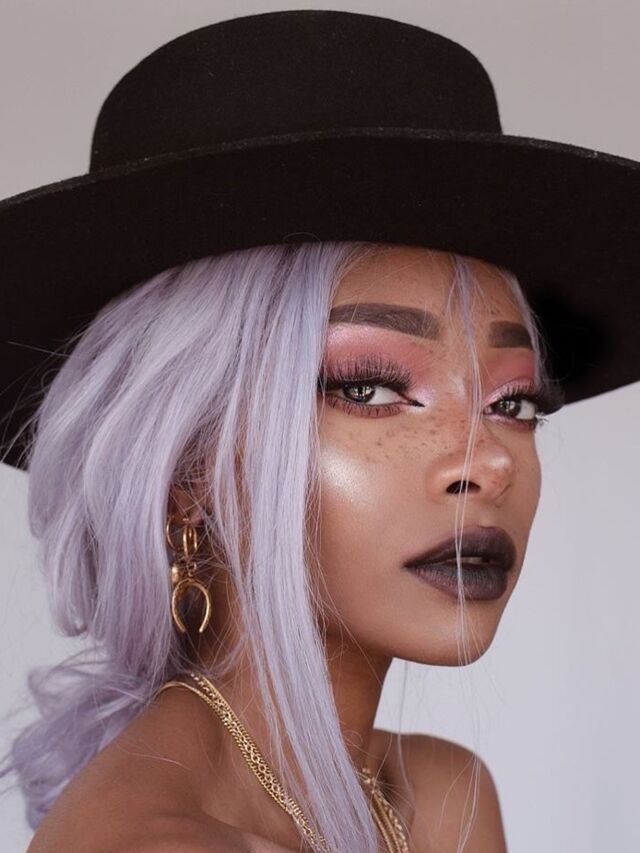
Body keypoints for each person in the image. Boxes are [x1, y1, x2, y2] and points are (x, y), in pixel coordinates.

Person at [0, 9, 638, 853]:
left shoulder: (442, 802)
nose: (488, 460)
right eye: (371, 386)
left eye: (513, 402)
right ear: (187, 471)